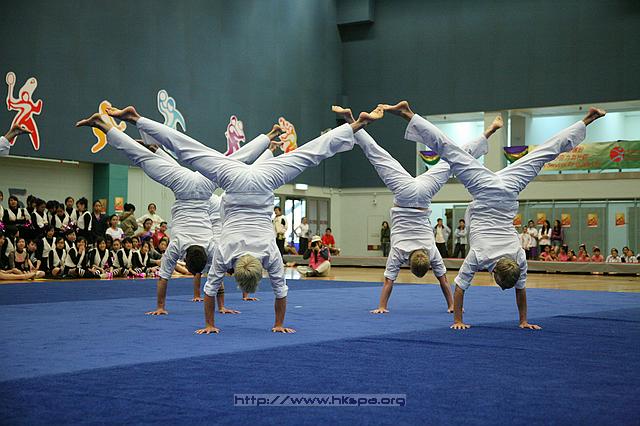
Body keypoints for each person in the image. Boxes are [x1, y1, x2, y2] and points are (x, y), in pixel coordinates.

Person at [102, 104, 381, 334]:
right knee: (191, 151)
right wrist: (210, 323)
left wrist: (278, 323)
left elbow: (281, 293)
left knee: (309, 154)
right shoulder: (225, 252)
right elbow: (211, 291)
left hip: (264, 179)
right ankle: (137, 119)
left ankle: (355, 125)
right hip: (234, 182)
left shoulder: (269, 253)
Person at [384, 100, 605, 330]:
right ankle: (408, 114)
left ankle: (588, 119)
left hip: (509, 190)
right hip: (484, 190)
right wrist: (458, 320)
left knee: (544, 152)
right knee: (451, 152)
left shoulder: (518, 257)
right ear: (496, 275)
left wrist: (523, 320)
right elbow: (460, 288)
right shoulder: (481, 254)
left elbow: (520, 290)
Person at [77, 106, 271, 314]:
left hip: (203, 186)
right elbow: (164, 279)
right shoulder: (178, 245)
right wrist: (160, 307)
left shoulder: (211, 248)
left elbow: (217, 280)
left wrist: (220, 306)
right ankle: (103, 125)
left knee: (234, 161)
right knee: (141, 158)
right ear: (185, 259)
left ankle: (267, 139)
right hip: (184, 186)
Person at [332, 105, 496, 314]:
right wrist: (382, 306)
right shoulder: (400, 251)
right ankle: (351, 120)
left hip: (424, 195)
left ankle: (489, 132)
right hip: (403, 194)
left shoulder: (431, 251)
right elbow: (388, 283)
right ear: (409, 264)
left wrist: (452, 305)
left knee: (454, 159)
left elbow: (444, 281)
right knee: (377, 154)